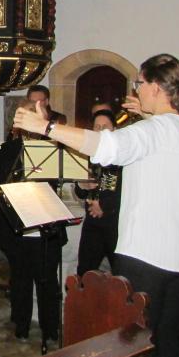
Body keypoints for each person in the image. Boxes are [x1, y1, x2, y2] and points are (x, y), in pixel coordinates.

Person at [15, 53, 179, 357]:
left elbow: (103, 145)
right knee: (169, 344)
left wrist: (45, 125)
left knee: (144, 352)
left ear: (156, 86)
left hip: (150, 254)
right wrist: (146, 114)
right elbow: (154, 141)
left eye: (139, 84)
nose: (134, 91)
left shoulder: (156, 130)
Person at [0, 99, 65, 342]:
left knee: (48, 281)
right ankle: (20, 324)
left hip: (46, 223)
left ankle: (50, 327)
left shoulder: (53, 147)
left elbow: (58, 181)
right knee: (20, 279)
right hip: (18, 224)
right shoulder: (11, 147)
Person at [74, 110, 122, 275]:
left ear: (114, 129)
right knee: (85, 271)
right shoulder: (88, 154)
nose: (100, 131)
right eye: (97, 127)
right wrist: (82, 185)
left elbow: (122, 188)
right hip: (92, 222)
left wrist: (103, 206)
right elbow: (80, 192)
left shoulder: (121, 154)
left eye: (105, 127)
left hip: (115, 223)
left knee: (120, 272)